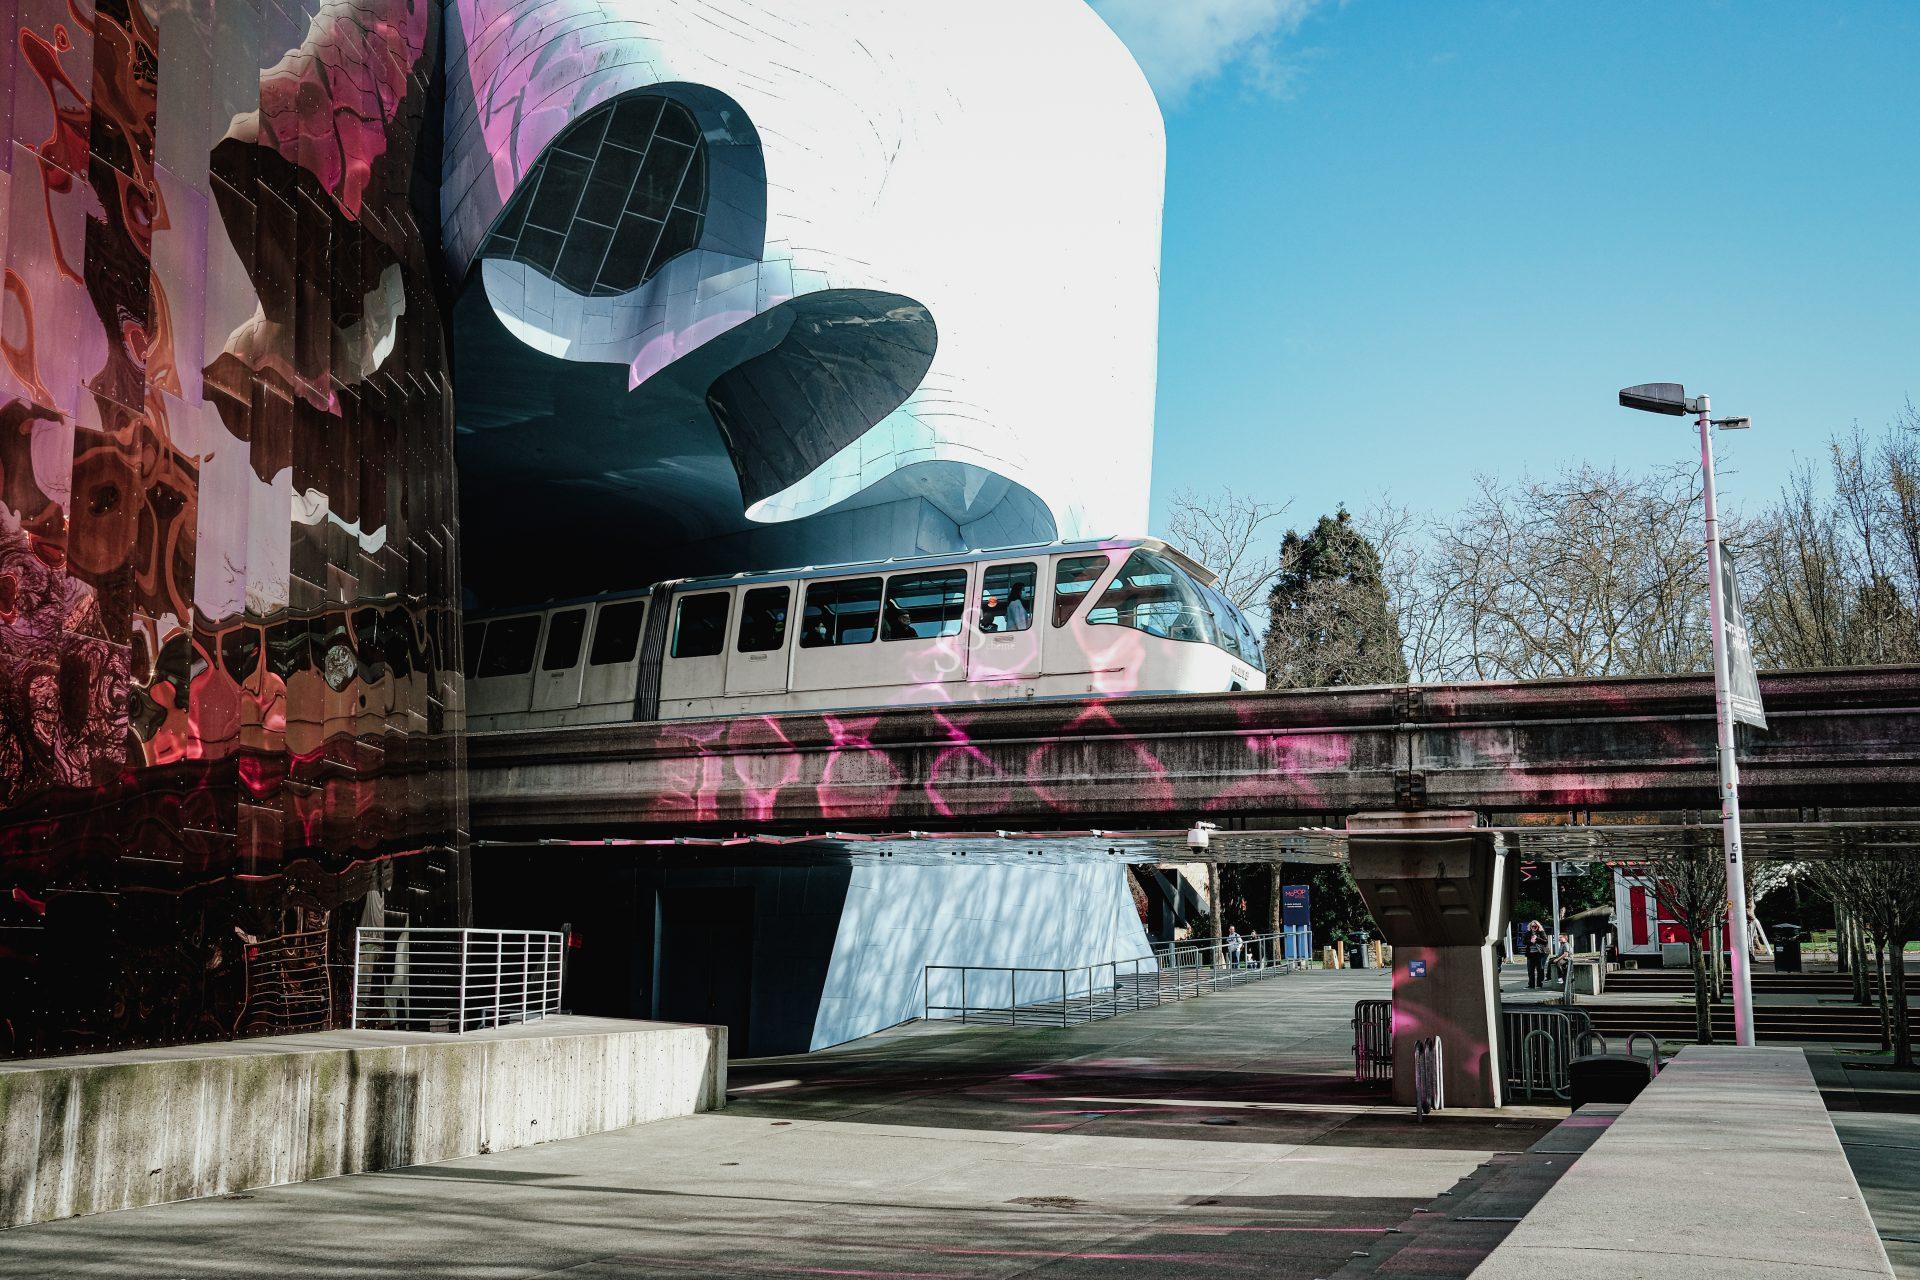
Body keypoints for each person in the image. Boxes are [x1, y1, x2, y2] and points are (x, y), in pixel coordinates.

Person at [1524, 922, 1549, 989]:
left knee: (1540, 969)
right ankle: (1531, 985)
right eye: (1533, 926)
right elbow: (1524, 942)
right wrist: (1531, 941)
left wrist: (1537, 938)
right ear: (1530, 927)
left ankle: (1539, 984)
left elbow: (1545, 942)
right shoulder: (1528, 933)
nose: (1534, 928)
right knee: (1530, 970)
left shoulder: (1541, 932)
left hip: (1540, 953)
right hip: (1530, 954)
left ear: (1538, 926)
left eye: (1536, 926)